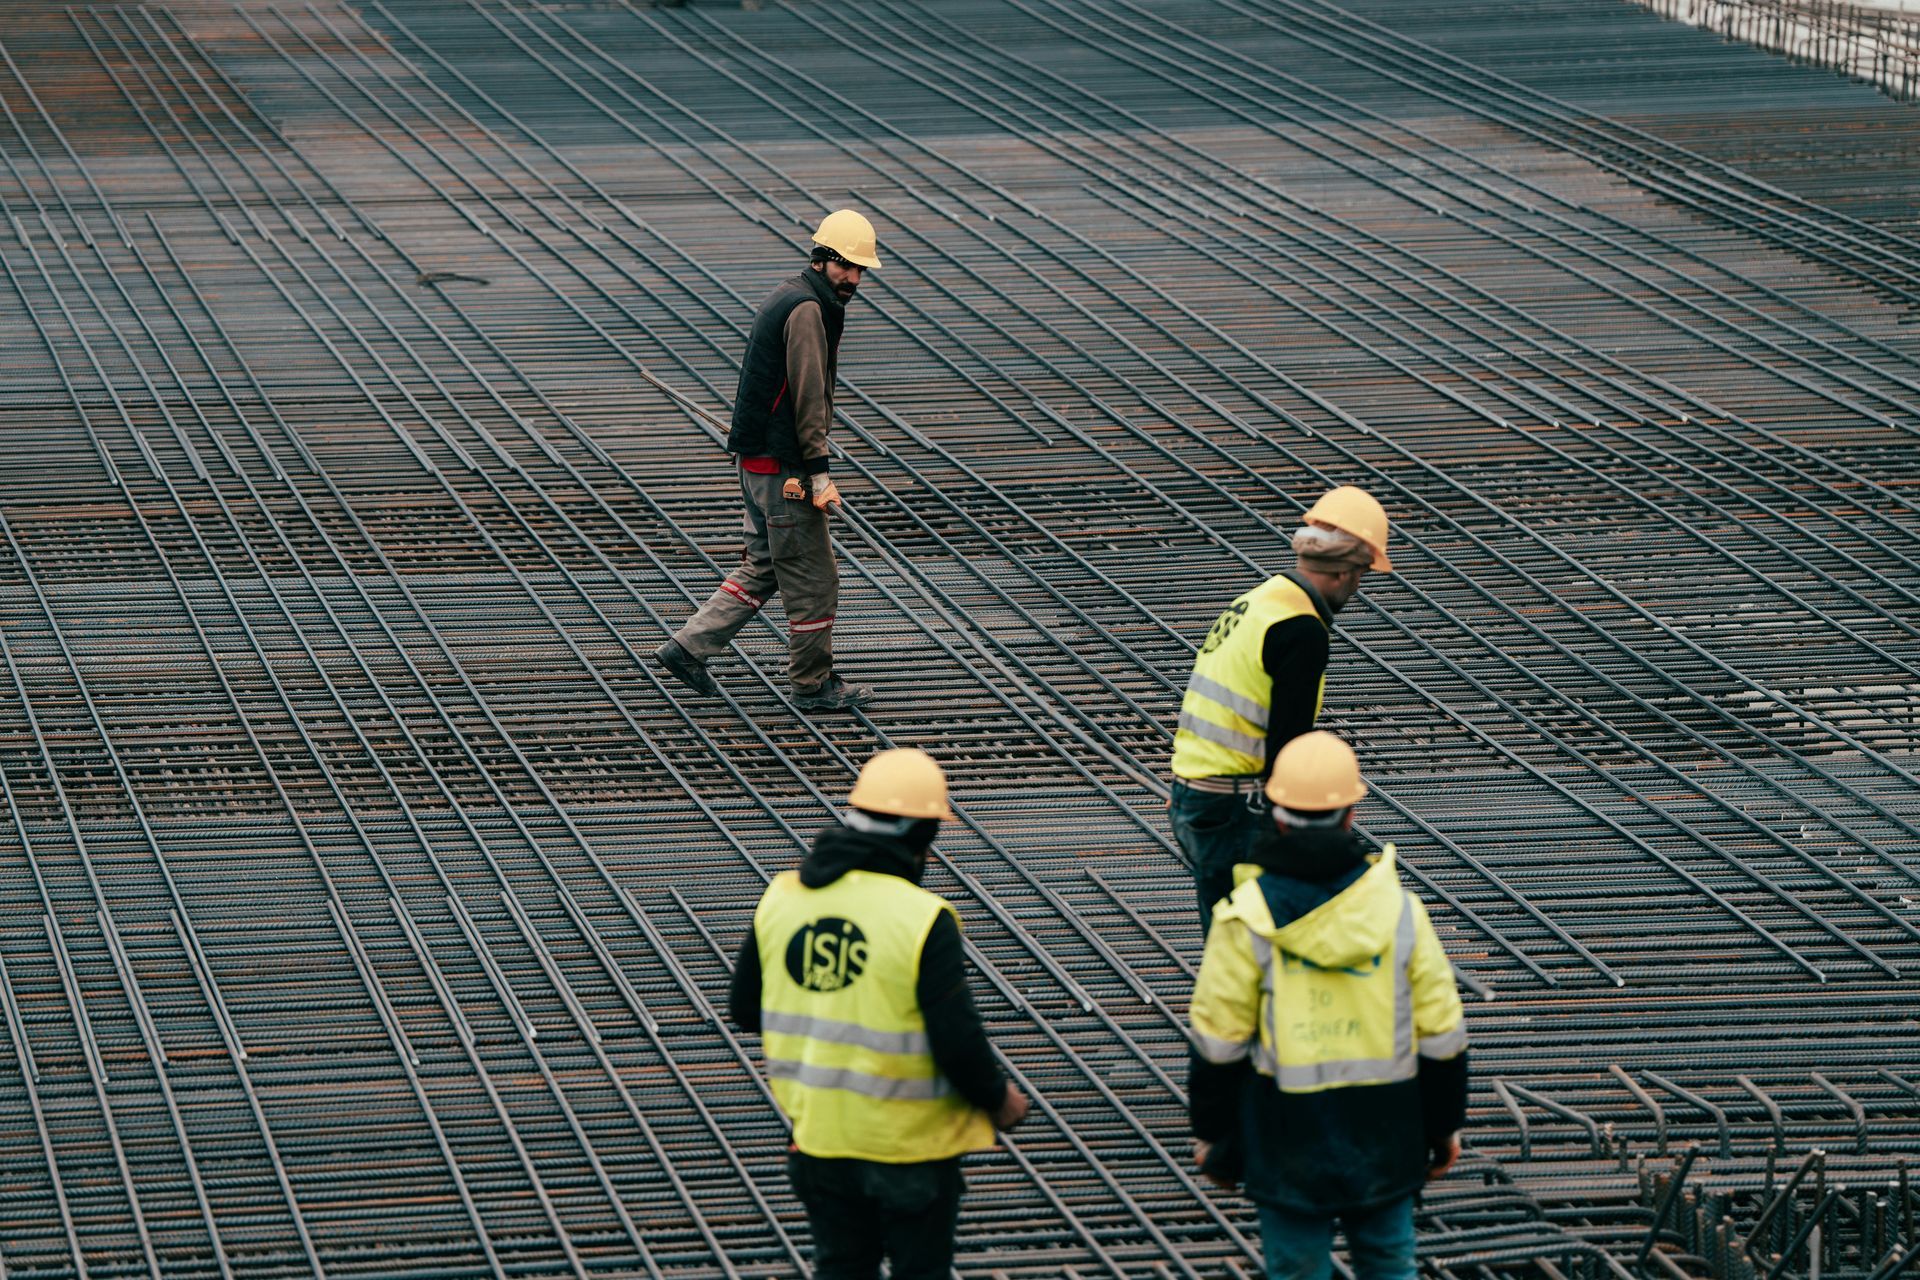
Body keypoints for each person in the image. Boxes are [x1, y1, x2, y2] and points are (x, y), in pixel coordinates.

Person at [729, 748, 1031, 1278]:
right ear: (919, 835)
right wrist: (998, 1100)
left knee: (842, 1268)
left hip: (819, 1140)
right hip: (910, 1149)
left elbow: (746, 1009)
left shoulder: (782, 898)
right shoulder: (920, 918)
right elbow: (955, 1036)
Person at [1188, 731, 1468, 1280]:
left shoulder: (1247, 918)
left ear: (1277, 811)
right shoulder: (1400, 911)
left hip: (1284, 1138)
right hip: (1387, 1134)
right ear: (1351, 811)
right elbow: (1441, 1032)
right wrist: (1441, 1127)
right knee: (1389, 1265)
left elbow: (1217, 1041)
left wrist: (1215, 1138)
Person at [657, 210, 881, 712]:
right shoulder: (806, 309)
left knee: (765, 564)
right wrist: (818, 471)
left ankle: (688, 648)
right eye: (846, 266)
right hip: (785, 472)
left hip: (759, 463)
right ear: (821, 258)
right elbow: (807, 396)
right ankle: (811, 684)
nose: (854, 278)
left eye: (861, 269)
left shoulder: (791, 295)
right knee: (814, 577)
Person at [1169, 485, 1393, 930]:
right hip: (1236, 809)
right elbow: (1289, 743)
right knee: (1255, 939)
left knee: (1230, 937)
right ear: (1347, 572)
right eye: (1364, 574)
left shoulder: (1261, 600)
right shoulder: (1302, 629)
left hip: (1195, 794)